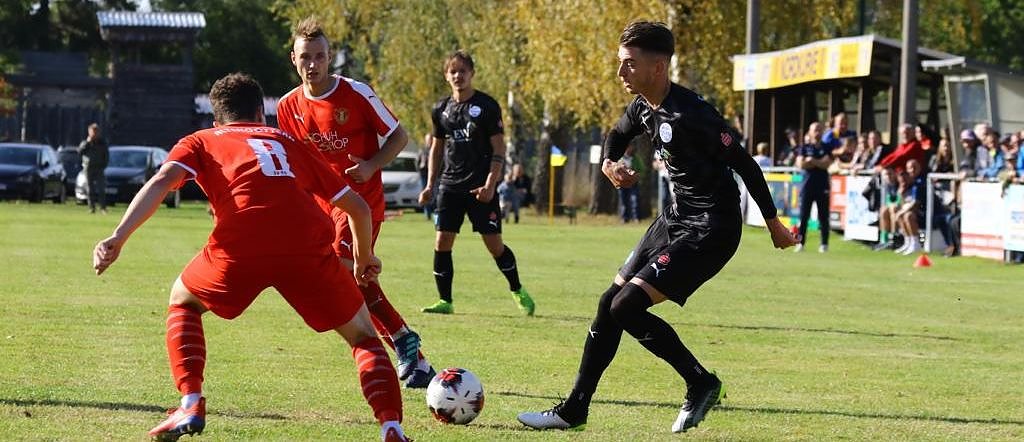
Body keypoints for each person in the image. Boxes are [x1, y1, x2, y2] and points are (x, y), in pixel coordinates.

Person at [91, 73, 411, 442]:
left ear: (216, 119)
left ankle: (190, 402)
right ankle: (391, 427)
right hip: (305, 244)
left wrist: (118, 237)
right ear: (261, 112)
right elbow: (358, 207)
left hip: (240, 242)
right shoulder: (288, 142)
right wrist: (363, 257)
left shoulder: (201, 139)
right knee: (363, 337)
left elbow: (162, 181)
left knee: (183, 300)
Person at [516, 21, 797, 434]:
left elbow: (746, 165)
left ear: (659, 67)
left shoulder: (693, 114)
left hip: (712, 227)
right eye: (620, 62)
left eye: (629, 63)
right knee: (609, 304)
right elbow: (617, 135)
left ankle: (701, 382)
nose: (620, 72)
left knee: (626, 306)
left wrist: (774, 225)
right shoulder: (642, 106)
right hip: (676, 218)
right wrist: (610, 164)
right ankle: (574, 411)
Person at [275, 17, 436, 388]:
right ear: (294, 59)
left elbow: (399, 136)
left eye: (319, 56)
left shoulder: (356, 93)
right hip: (322, 208)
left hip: (361, 203)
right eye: (305, 57)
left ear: (330, 56)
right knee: (352, 279)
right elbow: (294, 162)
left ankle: (393, 345)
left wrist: (371, 165)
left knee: (346, 272)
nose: (312, 64)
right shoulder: (287, 106)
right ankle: (410, 350)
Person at [417, 50, 535, 316]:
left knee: (494, 245)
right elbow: (437, 148)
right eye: (453, 71)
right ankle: (445, 300)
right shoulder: (440, 109)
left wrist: (491, 183)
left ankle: (517, 289)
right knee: (442, 241)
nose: (458, 76)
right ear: (446, 76)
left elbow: (499, 148)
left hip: (480, 187)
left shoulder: (487, 106)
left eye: (463, 71)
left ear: (472, 73)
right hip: (450, 186)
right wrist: (430, 184)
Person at [794, 122, 832, 253]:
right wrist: (818, 162)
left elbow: (827, 164)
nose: (817, 133)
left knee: (823, 217)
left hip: (822, 186)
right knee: (803, 217)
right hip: (807, 186)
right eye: (815, 130)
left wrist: (812, 161)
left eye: (819, 130)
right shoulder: (804, 148)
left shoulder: (826, 147)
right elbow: (801, 164)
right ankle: (800, 243)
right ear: (810, 132)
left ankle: (824, 244)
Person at [78, 123, 109, 214]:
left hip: (99, 168)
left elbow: (106, 155)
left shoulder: (102, 143)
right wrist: (87, 143)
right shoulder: (86, 143)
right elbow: (80, 152)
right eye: (93, 132)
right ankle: (91, 207)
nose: (94, 134)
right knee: (90, 189)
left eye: (96, 132)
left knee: (101, 189)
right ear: (89, 132)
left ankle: (103, 208)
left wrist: (104, 165)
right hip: (89, 168)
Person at [617, 145, 640, 223]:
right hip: (622, 183)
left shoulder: (635, 158)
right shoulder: (620, 159)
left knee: (634, 200)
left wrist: (636, 175)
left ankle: (636, 217)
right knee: (623, 201)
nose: (628, 149)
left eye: (629, 147)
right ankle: (624, 218)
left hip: (633, 183)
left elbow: (641, 169)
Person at [417, 134, 435, 220]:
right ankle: (427, 213)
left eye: (431, 139)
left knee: (434, 194)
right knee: (425, 193)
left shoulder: (435, 149)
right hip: (424, 174)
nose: (429, 141)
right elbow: (418, 162)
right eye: (428, 139)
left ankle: (435, 213)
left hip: (433, 174)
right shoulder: (422, 150)